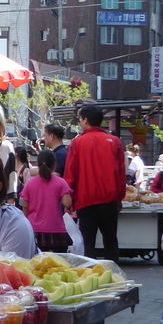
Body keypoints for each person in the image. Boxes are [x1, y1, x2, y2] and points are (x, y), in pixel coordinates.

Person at [65, 105, 124, 263]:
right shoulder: (115, 142)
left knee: (88, 243)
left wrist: (69, 198)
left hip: (85, 200)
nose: (80, 122)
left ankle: (91, 277)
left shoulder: (77, 143)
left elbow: (71, 173)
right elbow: (120, 174)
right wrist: (119, 197)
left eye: (80, 119)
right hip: (109, 200)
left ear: (85, 120)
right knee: (111, 241)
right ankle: (114, 276)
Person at [20, 150, 74, 253]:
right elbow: (67, 203)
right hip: (56, 229)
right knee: (59, 264)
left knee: (37, 264)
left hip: (35, 229)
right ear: (54, 165)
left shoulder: (30, 183)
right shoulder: (60, 182)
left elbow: (25, 207)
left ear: (38, 165)